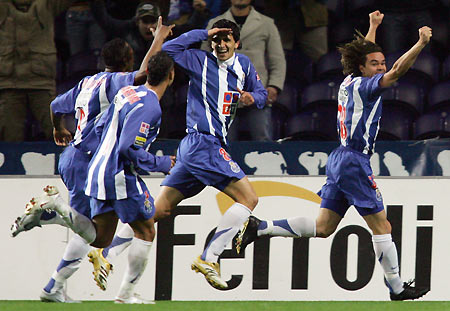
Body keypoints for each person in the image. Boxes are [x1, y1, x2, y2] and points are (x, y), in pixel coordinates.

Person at [235, 11, 432, 301]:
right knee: (382, 226)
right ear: (363, 68)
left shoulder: (350, 80)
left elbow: (365, 57)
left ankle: (260, 228)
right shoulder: (366, 86)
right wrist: (420, 43)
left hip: (340, 157)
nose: (381, 67)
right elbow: (397, 72)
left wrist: (373, 27)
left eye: (382, 63)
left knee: (324, 226)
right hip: (354, 161)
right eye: (375, 64)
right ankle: (397, 288)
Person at [10, 19, 176, 303]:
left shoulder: (88, 81)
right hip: (92, 159)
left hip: (72, 156)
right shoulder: (118, 83)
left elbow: (53, 105)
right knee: (92, 231)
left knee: (88, 227)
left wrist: (57, 127)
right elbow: (147, 72)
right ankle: (54, 233)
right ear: (127, 61)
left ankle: (53, 278)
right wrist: (158, 39)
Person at [153, 19, 267, 289]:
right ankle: (210, 256)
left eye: (227, 39)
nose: (222, 44)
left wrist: (253, 98)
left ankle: (106, 250)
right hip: (202, 142)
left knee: (160, 209)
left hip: (199, 149)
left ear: (237, 43)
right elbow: (167, 51)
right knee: (249, 198)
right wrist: (203, 33)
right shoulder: (198, 60)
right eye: (217, 40)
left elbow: (262, 94)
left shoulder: (245, 65)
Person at [202, 0, 286, 141]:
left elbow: (277, 59)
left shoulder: (266, 24)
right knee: (224, 143)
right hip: (225, 93)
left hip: (257, 91)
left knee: (262, 142)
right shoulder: (214, 23)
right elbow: (204, 59)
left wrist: (274, 86)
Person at [0, 0, 74, 142]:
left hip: (40, 82)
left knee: (57, 133)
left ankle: (66, 163)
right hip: (10, 83)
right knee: (9, 138)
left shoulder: (48, 4)